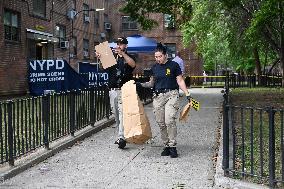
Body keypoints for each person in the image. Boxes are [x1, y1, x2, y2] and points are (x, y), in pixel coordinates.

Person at [137, 43, 191, 158]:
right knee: (161, 123)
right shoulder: (154, 67)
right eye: (156, 57)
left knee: (169, 120)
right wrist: (139, 84)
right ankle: (166, 145)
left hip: (171, 94)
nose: (158, 59)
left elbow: (180, 80)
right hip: (158, 97)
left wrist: (187, 93)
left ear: (165, 55)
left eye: (160, 56)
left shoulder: (174, 65)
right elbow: (151, 83)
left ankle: (172, 146)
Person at [96, 37, 136, 149]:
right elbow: (102, 68)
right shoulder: (111, 57)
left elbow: (132, 65)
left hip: (124, 90)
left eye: (121, 44)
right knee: (116, 114)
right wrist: (100, 59)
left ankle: (121, 137)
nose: (118, 45)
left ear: (125, 46)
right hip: (113, 90)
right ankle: (121, 135)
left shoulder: (129, 57)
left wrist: (123, 54)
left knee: (123, 113)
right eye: (117, 43)